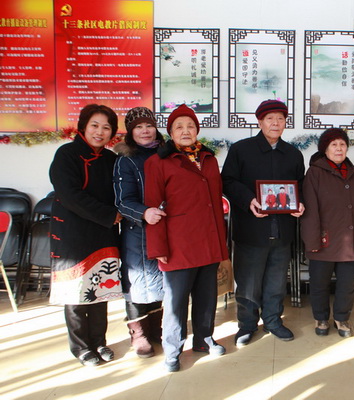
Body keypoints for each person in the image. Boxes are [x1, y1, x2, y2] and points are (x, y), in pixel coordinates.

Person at [144, 104, 229, 372]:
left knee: (207, 296)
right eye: (179, 127)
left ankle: (204, 339)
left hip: (208, 240)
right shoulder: (157, 162)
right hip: (177, 243)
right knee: (175, 301)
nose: (185, 131)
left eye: (190, 126)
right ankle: (173, 349)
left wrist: (220, 244)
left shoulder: (208, 158)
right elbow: (153, 206)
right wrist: (158, 246)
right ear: (170, 132)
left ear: (197, 130)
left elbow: (215, 203)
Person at [221, 99, 305, 346]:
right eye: (270, 119)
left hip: (282, 230)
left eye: (280, 119)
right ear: (260, 122)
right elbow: (227, 181)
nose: (275, 123)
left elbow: (300, 186)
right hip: (251, 228)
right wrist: (248, 200)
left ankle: (273, 320)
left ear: (285, 123)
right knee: (248, 282)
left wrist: (300, 203)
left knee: (276, 281)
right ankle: (247, 325)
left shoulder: (293, 154)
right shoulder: (241, 150)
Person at [49, 104, 122, 367]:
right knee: (76, 293)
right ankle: (81, 347)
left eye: (106, 127)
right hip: (73, 234)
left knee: (100, 289)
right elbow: (70, 195)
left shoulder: (111, 159)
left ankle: (99, 341)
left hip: (103, 233)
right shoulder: (66, 154)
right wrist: (110, 215)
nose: (100, 132)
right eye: (95, 125)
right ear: (83, 126)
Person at [301, 128, 354, 338]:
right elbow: (310, 210)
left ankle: (342, 318)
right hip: (323, 239)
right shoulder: (314, 173)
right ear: (325, 149)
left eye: (342, 144)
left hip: (351, 241)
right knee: (319, 283)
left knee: (348, 284)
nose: (339, 148)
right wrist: (312, 240)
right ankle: (321, 318)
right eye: (334, 145)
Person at [113, 107, 166, 358]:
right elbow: (122, 201)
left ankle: (156, 329)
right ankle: (138, 333)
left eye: (149, 126)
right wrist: (144, 212)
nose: (145, 131)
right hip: (138, 230)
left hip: (165, 228)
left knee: (162, 279)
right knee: (137, 282)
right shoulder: (126, 160)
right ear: (130, 132)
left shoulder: (167, 153)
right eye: (138, 127)